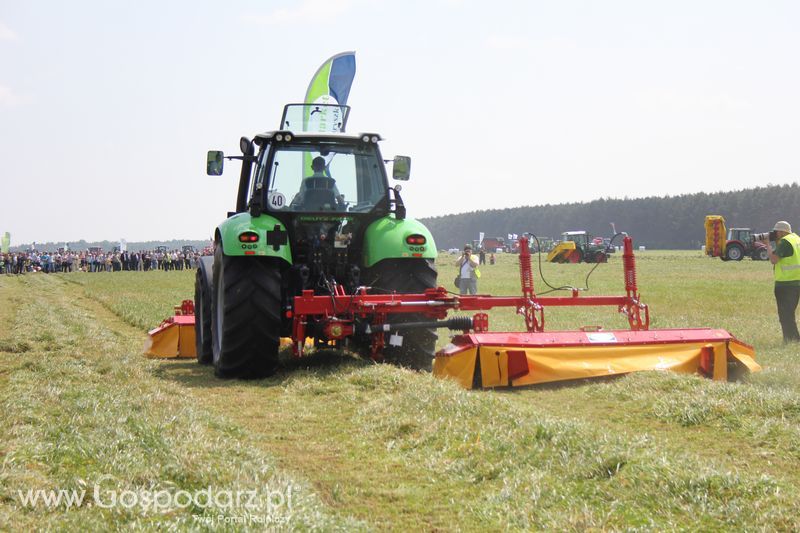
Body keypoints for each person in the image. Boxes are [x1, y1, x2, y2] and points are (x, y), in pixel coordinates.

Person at [761, 221, 800, 342]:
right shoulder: (796, 239)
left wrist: (767, 245)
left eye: (776, 231)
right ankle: (794, 339)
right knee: (789, 312)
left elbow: (773, 259)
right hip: (797, 281)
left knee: (785, 315)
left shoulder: (785, 242)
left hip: (786, 283)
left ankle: (791, 339)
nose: (774, 234)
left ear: (782, 231)